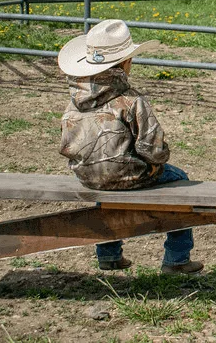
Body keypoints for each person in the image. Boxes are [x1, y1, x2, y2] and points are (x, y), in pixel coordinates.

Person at [57, 19, 203, 274]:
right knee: (180, 180)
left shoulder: (74, 102)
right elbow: (153, 149)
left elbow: (68, 142)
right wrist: (159, 159)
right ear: (125, 63)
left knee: (105, 194)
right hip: (131, 175)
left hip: (88, 177)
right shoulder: (131, 100)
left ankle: (109, 254)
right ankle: (177, 258)